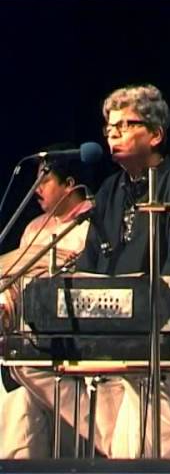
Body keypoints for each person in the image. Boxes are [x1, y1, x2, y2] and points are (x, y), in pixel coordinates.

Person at [3, 85, 170, 463]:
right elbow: (90, 265)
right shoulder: (111, 190)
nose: (113, 133)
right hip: (108, 328)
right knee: (25, 360)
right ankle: (115, 442)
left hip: (155, 329)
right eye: (109, 127)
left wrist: (146, 303)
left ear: (155, 134)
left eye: (124, 125)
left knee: (141, 438)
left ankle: (128, 449)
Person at [0, 156, 94, 458]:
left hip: (68, 334)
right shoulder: (34, 227)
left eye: (45, 180)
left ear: (69, 185)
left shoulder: (90, 223)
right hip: (20, 327)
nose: (37, 189)